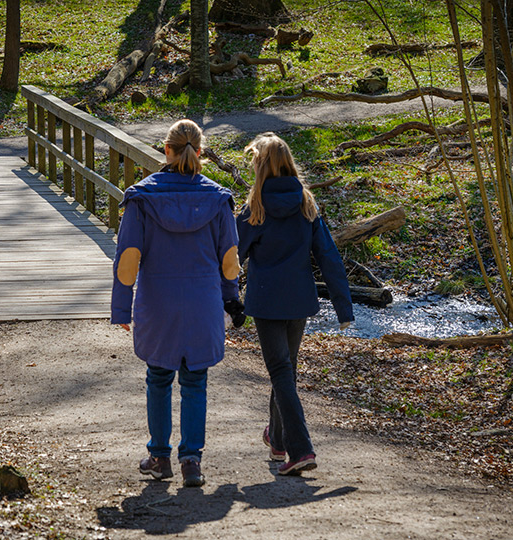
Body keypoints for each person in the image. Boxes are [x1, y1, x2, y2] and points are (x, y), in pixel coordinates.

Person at [111, 119, 244, 488]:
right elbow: (229, 261)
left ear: (165, 151)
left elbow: (128, 259)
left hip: (158, 301)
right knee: (195, 381)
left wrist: (122, 308)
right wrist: (232, 301)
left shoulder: (141, 198)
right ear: (200, 153)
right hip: (203, 301)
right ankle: (192, 462)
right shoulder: (218, 199)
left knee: (158, 377)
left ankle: (159, 457)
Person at [236, 132, 354, 476]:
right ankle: (277, 439)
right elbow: (329, 257)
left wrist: (221, 298)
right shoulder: (306, 204)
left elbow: (230, 258)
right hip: (300, 301)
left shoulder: (254, 207)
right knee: (286, 369)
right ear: (288, 163)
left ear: (260, 166)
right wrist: (343, 309)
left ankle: (300, 450)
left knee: (281, 372)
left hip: (267, 301)